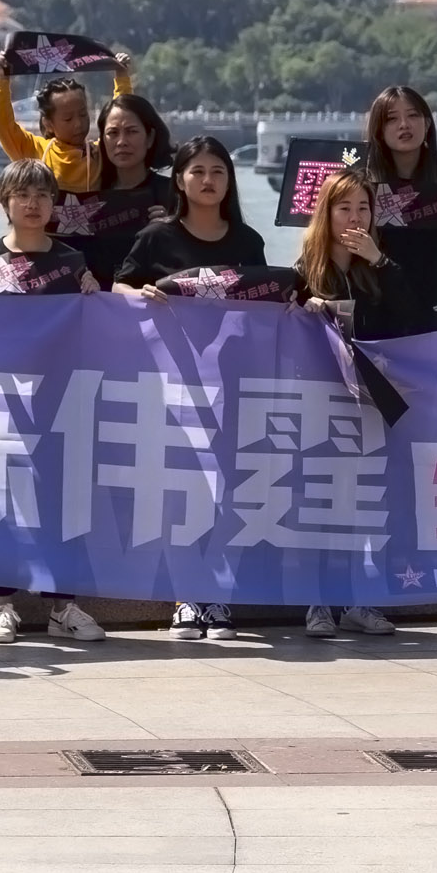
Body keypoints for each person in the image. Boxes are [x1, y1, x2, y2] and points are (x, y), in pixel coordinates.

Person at [0, 159, 108, 645]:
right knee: (0, 496)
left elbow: (91, 329)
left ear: (55, 203)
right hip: (0, 399)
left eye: (42, 194)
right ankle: (2, 604)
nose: (32, 204)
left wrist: (93, 296)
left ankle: (64, 604)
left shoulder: (72, 263)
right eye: (21, 195)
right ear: (3, 203)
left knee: (62, 496)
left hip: (60, 396)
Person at [115, 135, 267, 641]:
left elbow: (267, 299)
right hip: (170, 383)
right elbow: (118, 287)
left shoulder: (247, 242)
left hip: (231, 379)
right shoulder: (158, 238)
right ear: (179, 178)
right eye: (198, 171)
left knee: (227, 485)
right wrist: (143, 295)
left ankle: (218, 595)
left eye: (218, 172)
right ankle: (185, 596)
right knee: (179, 488)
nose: (208, 180)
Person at [293, 169, 426, 639]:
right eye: (344, 208)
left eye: (364, 208)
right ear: (325, 215)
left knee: (366, 500)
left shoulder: (379, 269)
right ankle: (319, 601)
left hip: (371, 399)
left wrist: (381, 263)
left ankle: (359, 598)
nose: (355, 218)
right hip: (319, 400)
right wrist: (304, 311)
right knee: (321, 499)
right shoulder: (302, 270)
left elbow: (411, 320)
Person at [361, 86, 437, 331]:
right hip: (372, 305)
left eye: (413, 116)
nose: (404, 125)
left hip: (427, 304)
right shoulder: (361, 178)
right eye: (392, 119)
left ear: (427, 123)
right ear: (378, 129)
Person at [0, 49, 134, 192]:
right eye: (68, 119)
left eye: (83, 114)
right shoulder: (34, 151)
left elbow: (122, 118)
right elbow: (3, 125)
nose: (78, 124)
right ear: (48, 124)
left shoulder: (101, 153)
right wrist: (2, 81)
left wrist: (122, 77)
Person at [74, 92, 176, 288]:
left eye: (131, 131)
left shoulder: (174, 195)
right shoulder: (85, 192)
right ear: (102, 139)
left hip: (150, 304)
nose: (121, 142)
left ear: (150, 137)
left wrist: (171, 230)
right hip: (94, 305)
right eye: (113, 133)